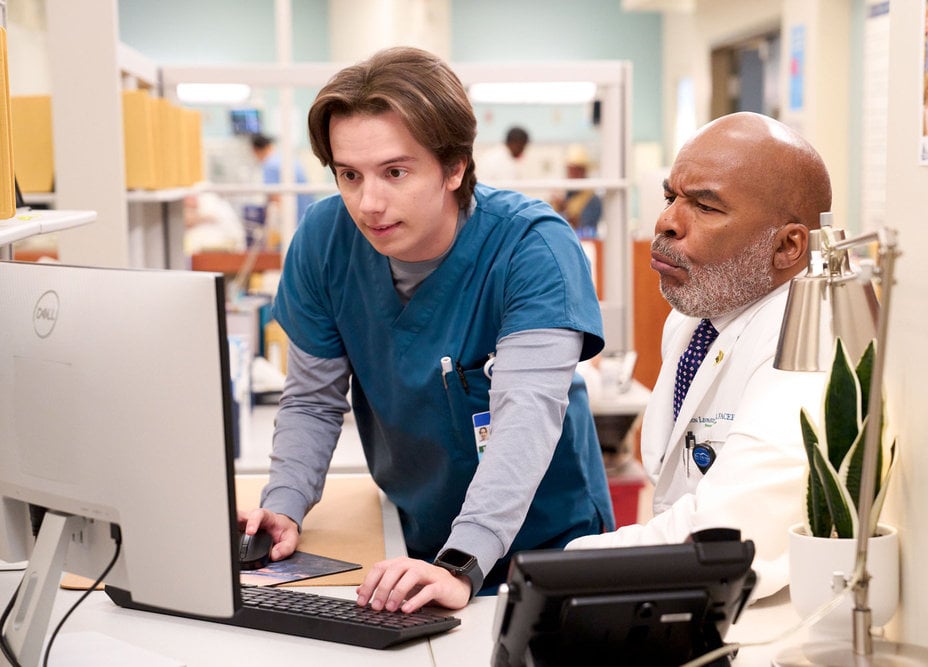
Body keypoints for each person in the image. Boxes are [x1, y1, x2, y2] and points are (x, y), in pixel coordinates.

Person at [240, 46, 614, 614]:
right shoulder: (324, 241)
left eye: (395, 171)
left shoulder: (531, 247)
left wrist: (462, 560)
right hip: (419, 545)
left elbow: (525, 417)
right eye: (349, 175)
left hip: (548, 547)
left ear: (455, 166)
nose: (368, 203)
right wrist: (284, 504)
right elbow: (313, 400)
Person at [566, 112, 831, 601]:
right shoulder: (700, 312)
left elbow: (727, 531)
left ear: (788, 246)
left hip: (753, 618)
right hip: (678, 599)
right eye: (670, 197)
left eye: (706, 207)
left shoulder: (807, 344)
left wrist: (556, 573)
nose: (666, 221)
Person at [250, 132, 316, 223]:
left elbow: (275, 199)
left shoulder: (269, 165)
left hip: (294, 220)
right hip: (309, 214)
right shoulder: (288, 159)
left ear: (255, 150)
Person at [550, 144, 602, 238]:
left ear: (584, 171)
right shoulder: (566, 195)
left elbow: (585, 231)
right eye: (570, 170)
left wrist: (564, 209)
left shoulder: (593, 199)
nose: (571, 175)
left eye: (576, 171)